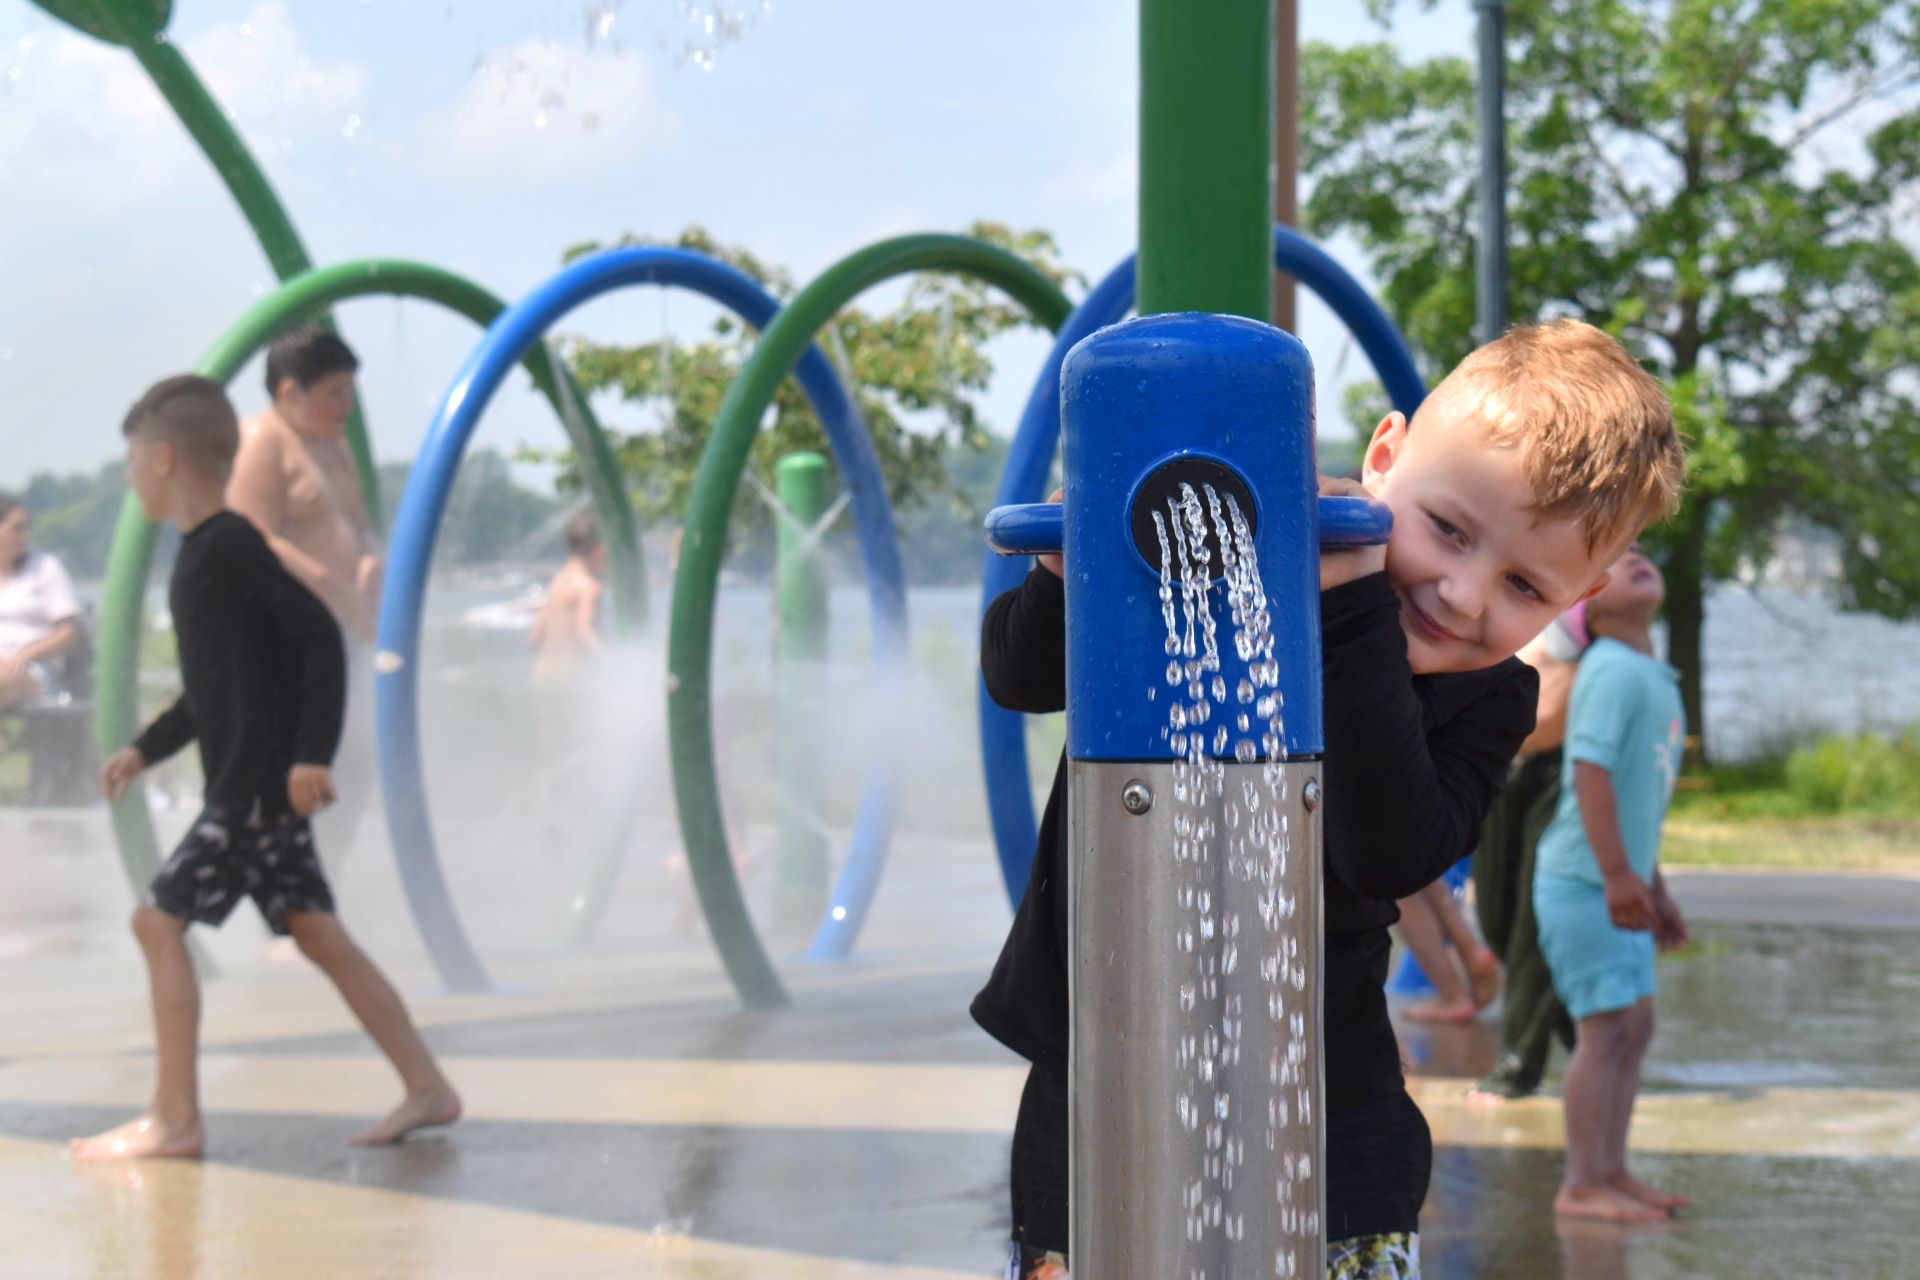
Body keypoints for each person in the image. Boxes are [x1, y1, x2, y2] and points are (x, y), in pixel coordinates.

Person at [972, 319, 1684, 1277]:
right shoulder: (1240, 567)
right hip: (1098, 1060)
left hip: (1322, 1090)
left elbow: (1389, 848)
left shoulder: (1491, 695)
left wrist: (1352, 611)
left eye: (1523, 584)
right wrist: (1070, 569)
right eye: (1449, 530)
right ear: (1385, 458)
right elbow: (1020, 678)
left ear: (1579, 596)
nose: (1464, 595)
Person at [73, 375, 460, 1161]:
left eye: (132, 461)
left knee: (155, 922)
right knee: (319, 934)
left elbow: (319, 635)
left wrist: (311, 753)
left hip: (250, 795)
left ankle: (175, 1118)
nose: (129, 478)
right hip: (256, 794)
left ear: (164, 458)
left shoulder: (228, 546)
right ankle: (428, 1087)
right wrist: (146, 748)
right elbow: (215, 688)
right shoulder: (203, 554)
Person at [1532, 541, 1690, 1222]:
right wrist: (1619, 875)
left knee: (1636, 1026)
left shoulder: (1652, 673)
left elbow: (1638, 800)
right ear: (1588, 610)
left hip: (1617, 881)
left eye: (1642, 552)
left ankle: (1612, 1171)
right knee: (1605, 1031)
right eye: (1619, 560)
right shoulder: (1608, 669)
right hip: (1583, 881)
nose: (1637, 558)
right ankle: (1581, 1184)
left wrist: (1654, 887)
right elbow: (1590, 774)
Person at [227, 325, 381, 864]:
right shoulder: (261, 441)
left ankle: (326, 882)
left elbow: (360, 525)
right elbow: (251, 537)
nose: (347, 406)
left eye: (350, 391)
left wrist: (372, 565)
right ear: (290, 391)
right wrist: (333, 589)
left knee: (352, 765)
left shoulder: (334, 446)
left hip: (344, 636)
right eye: (335, 392)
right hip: (289, 643)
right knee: (300, 771)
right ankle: (290, 891)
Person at [1470, 606, 1590, 1099]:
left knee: (1532, 921)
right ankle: (1586, 1038)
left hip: (1556, 770)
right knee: (1496, 919)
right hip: (1504, 764)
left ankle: (1517, 1068)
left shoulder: (1590, 595)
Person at [0, 494, 82, 717]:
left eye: (26, 527)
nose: (24, 535)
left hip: (36, 670)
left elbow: (68, 633)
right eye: (16, 528)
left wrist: (20, 657)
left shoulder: (44, 568)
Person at [529, 510, 608, 686]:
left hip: (542, 675)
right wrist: (611, 665)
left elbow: (534, 638)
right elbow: (585, 631)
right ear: (598, 548)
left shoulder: (557, 582)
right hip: (570, 678)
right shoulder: (589, 587)